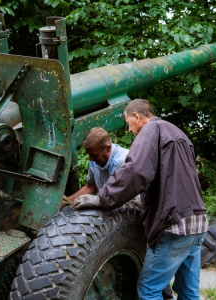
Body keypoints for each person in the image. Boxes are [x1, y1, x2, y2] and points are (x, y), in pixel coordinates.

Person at [71, 99, 208, 300]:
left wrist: (102, 200)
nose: (129, 130)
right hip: (197, 219)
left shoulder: (151, 131)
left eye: (128, 123)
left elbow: (135, 171)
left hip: (175, 223)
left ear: (136, 116)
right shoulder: (179, 134)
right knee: (189, 292)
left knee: (148, 289)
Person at [66, 126, 174, 300]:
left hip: (137, 219)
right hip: (111, 218)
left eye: (94, 155)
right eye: (90, 155)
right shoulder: (95, 161)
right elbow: (90, 187)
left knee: (148, 267)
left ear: (107, 148)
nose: (91, 159)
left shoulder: (126, 161)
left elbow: (131, 199)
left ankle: (165, 296)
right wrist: (66, 201)